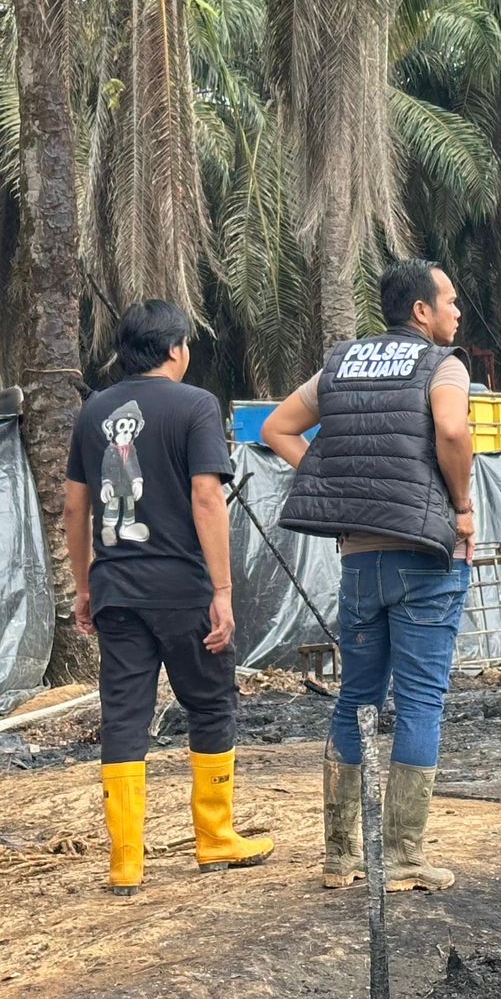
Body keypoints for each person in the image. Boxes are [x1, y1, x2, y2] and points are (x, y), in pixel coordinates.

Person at [265, 259, 474, 893]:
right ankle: (406, 858)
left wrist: (334, 486)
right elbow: (452, 430)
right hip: (424, 560)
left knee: (356, 699)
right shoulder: (445, 365)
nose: (457, 313)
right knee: (419, 701)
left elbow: (277, 428)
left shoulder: (342, 364)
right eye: (450, 302)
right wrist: (461, 508)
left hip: (359, 562)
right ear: (421, 312)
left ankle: (339, 856)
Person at [64, 300, 273, 896]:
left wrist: (86, 584)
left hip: (117, 592)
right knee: (209, 705)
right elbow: (208, 498)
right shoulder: (196, 405)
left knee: (124, 716)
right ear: (176, 349)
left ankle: (125, 862)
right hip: (183, 591)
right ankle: (215, 839)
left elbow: (75, 506)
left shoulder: (94, 411)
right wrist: (224, 591)